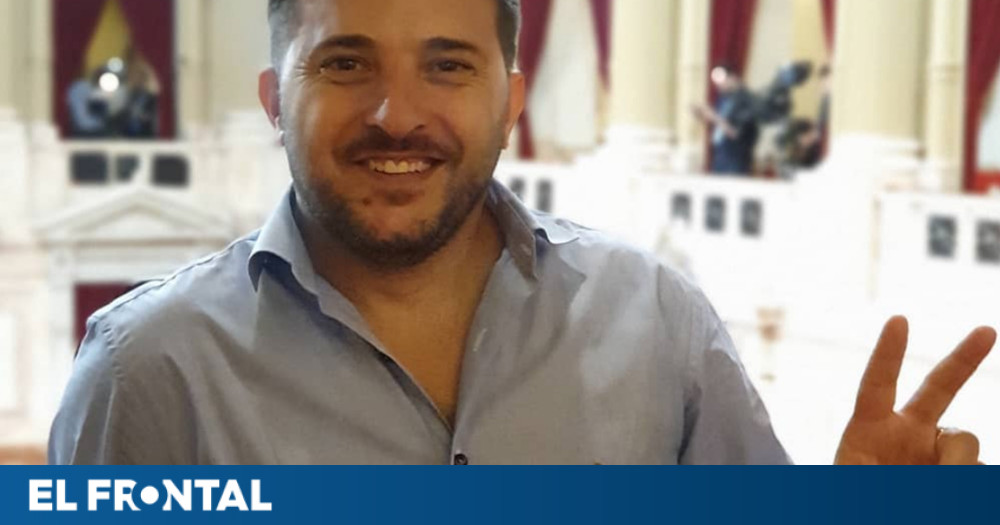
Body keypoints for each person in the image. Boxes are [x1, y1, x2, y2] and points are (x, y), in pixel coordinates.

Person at [49, 0, 995, 465]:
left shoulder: (657, 322)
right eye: (344, 64)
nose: (396, 115)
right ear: (272, 100)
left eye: (448, 67)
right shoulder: (147, 370)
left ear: (510, 102)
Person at [693, 65, 760, 176]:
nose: (718, 85)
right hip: (719, 155)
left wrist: (714, 117)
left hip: (736, 158)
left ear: (733, 77)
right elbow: (718, 125)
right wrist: (702, 114)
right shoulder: (723, 99)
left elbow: (737, 133)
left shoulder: (747, 99)